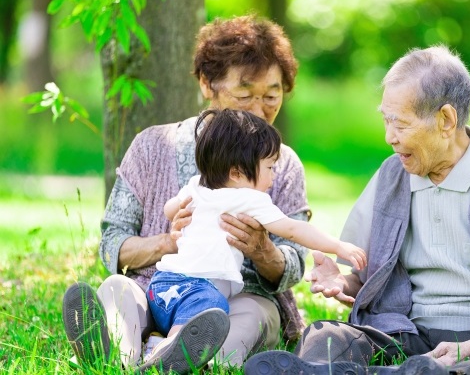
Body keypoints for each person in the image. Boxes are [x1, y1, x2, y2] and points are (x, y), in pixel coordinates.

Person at [245, 45, 470, 374]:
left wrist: (467, 348)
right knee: (327, 335)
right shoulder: (391, 175)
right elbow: (366, 281)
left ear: (446, 119)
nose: (389, 137)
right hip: (406, 332)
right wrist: (342, 283)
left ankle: (440, 370)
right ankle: (370, 371)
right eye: (386, 121)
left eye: (401, 124)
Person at [62, 15, 313, 373]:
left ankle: (170, 357)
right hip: (157, 292)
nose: (259, 109)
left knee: (250, 315)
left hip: (235, 301)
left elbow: (296, 262)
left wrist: (263, 250)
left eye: (271, 96)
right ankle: (119, 355)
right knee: (119, 289)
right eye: (244, 94)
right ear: (206, 84)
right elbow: (112, 245)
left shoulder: (283, 165)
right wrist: (168, 242)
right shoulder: (152, 146)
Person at [144, 108, 366, 364]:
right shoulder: (249, 199)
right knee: (203, 316)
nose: (273, 176)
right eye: (270, 167)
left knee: (196, 319)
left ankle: (156, 344)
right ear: (237, 173)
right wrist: (337, 246)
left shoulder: (197, 185)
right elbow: (294, 229)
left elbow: (169, 209)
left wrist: (181, 214)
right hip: (198, 292)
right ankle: (162, 357)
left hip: (163, 284)